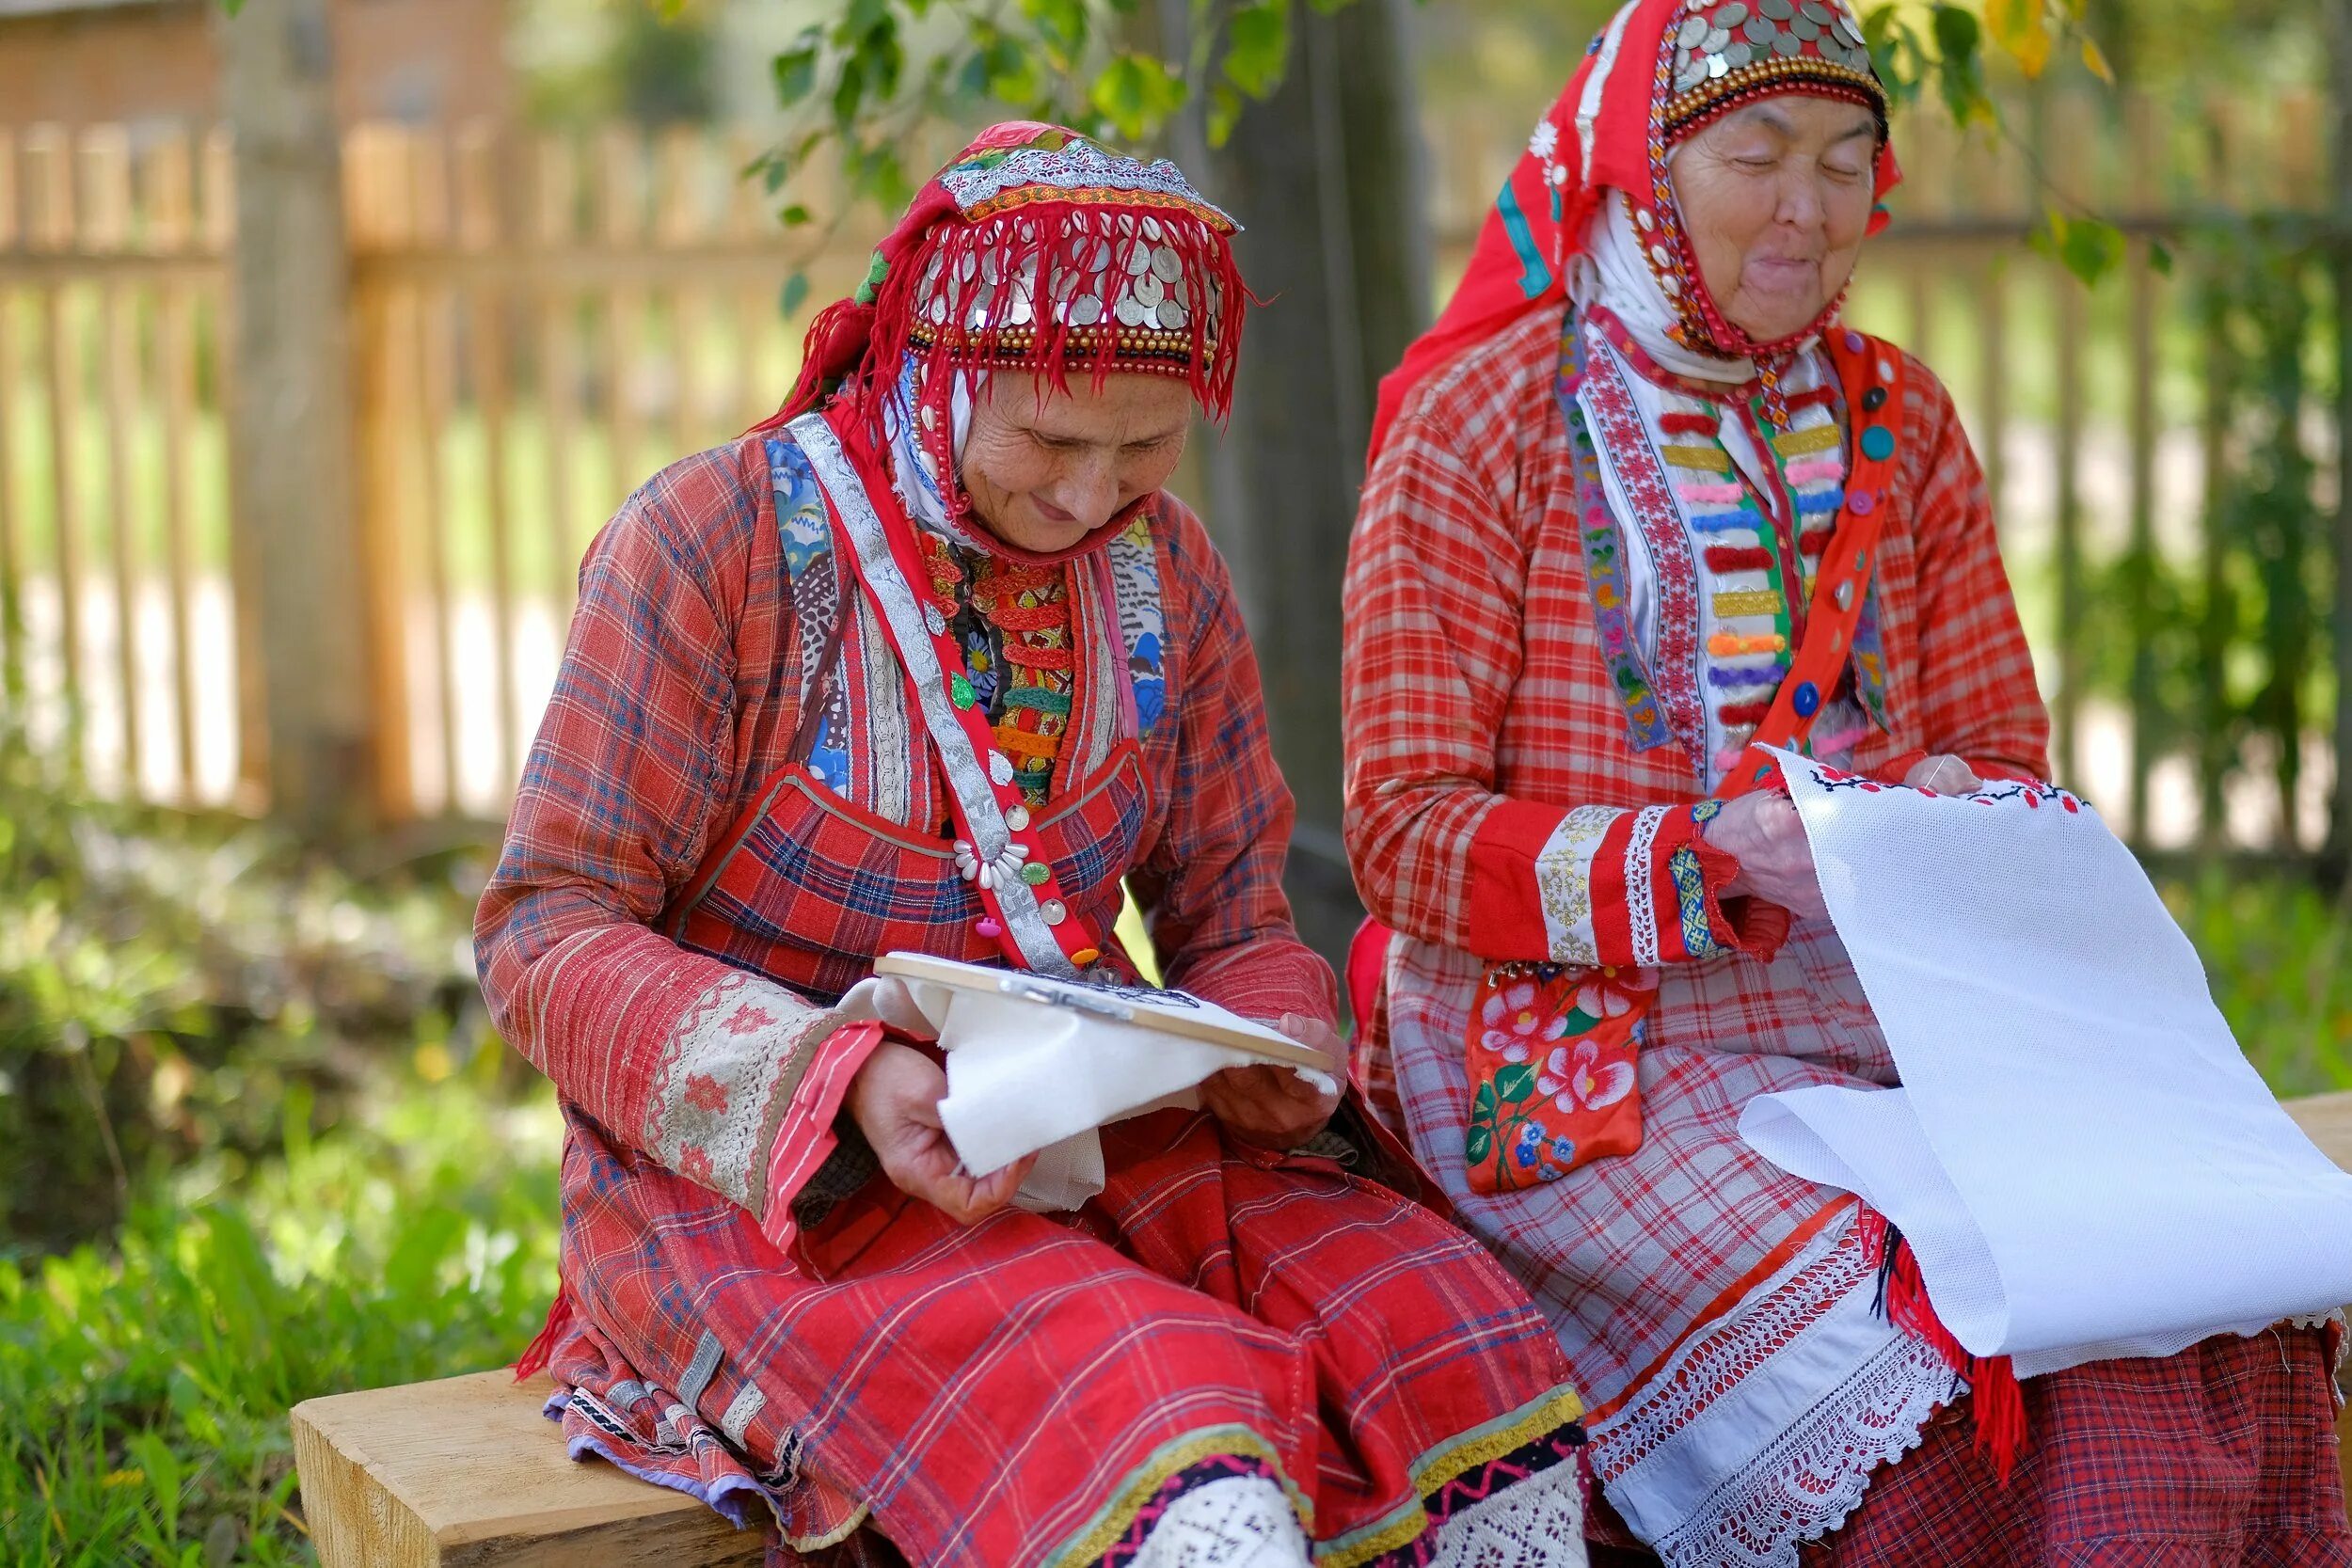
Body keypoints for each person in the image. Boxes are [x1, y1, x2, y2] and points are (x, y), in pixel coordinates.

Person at [477, 121, 1591, 1568]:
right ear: (932, 375)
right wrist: (846, 1079)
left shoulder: (1167, 570)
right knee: (1155, 1409)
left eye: (1145, 444)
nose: (1088, 496)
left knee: (1443, 1326)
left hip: (1080, 1132)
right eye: (1052, 439)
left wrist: (1264, 1049)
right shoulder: (713, 544)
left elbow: (1233, 923)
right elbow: (544, 928)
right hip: (765, 1181)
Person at [1341, 6, 2351, 1566]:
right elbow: (1404, 832)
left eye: (1844, 162)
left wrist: (1949, 810)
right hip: (1571, 1046)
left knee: (2166, 1272)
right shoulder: (1483, 426)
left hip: (1895, 1009)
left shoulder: (1900, 417)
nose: (1807, 211)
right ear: (1643, 180)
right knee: (1925, 1326)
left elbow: (2008, 757)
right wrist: (1701, 862)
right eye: (1754, 159)